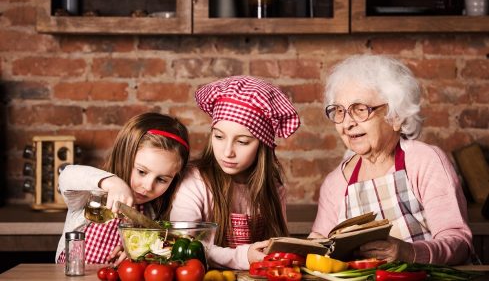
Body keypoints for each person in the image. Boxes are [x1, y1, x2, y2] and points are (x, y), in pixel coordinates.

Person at [309, 54, 473, 265]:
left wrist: (409, 253)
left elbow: (459, 243)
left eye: (360, 110)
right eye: (339, 111)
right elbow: (320, 247)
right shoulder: (335, 184)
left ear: (396, 116)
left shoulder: (424, 162)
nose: (347, 123)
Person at [170, 75, 301, 269]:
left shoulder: (274, 186)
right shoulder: (194, 181)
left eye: (242, 141)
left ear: (263, 145)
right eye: (219, 136)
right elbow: (183, 243)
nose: (227, 151)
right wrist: (243, 256)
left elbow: (275, 245)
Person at [55, 112, 190, 264]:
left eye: (161, 179)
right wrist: (113, 183)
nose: (148, 186)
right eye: (141, 171)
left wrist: (139, 251)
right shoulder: (91, 194)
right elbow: (66, 175)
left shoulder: (152, 215)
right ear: (123, 157)